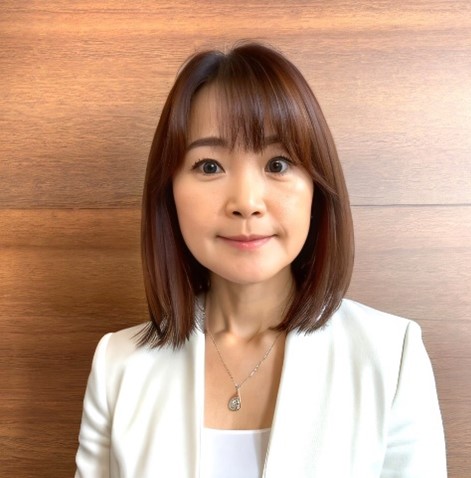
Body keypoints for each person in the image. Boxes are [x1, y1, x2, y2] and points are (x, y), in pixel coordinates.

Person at [75, 42, 446, 477]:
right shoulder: (118, 365)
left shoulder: (390, 355)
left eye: (278, 164)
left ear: (317, 187)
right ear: (169, 193)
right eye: (209, 166)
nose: (247, 202)